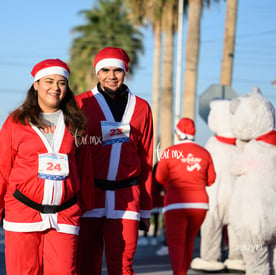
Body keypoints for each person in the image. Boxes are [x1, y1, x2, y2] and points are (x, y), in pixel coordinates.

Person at [0, 58, 94, 275]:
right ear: (36, 84)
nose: (55, 88)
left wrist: (87, 209)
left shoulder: (76, 123)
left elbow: (84, 169)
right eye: (49, 81)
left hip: (64, 215)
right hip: (23, 214)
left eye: (61, 83)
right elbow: (0, 171)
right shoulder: (16, 122)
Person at [75, 47, 154, 275]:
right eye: (105, 70)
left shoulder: (141, 107)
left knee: (122, 266)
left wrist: (146, 210)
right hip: (90, 197)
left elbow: (147, 158)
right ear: (97, 73)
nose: (111, 75)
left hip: (126, 199)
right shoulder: (81, 104)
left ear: (125, 72)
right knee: (86, 266)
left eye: (117, 70)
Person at [155, 117, 216, 275]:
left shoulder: (170, 152)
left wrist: (170, 186)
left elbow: (159, 177)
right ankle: (183, 271)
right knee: (188, 242)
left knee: (176, 243)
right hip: (200, 205)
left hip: (175, 203)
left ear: (179, 134)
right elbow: (211, 179)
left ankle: (179, 273)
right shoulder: (204, 153)